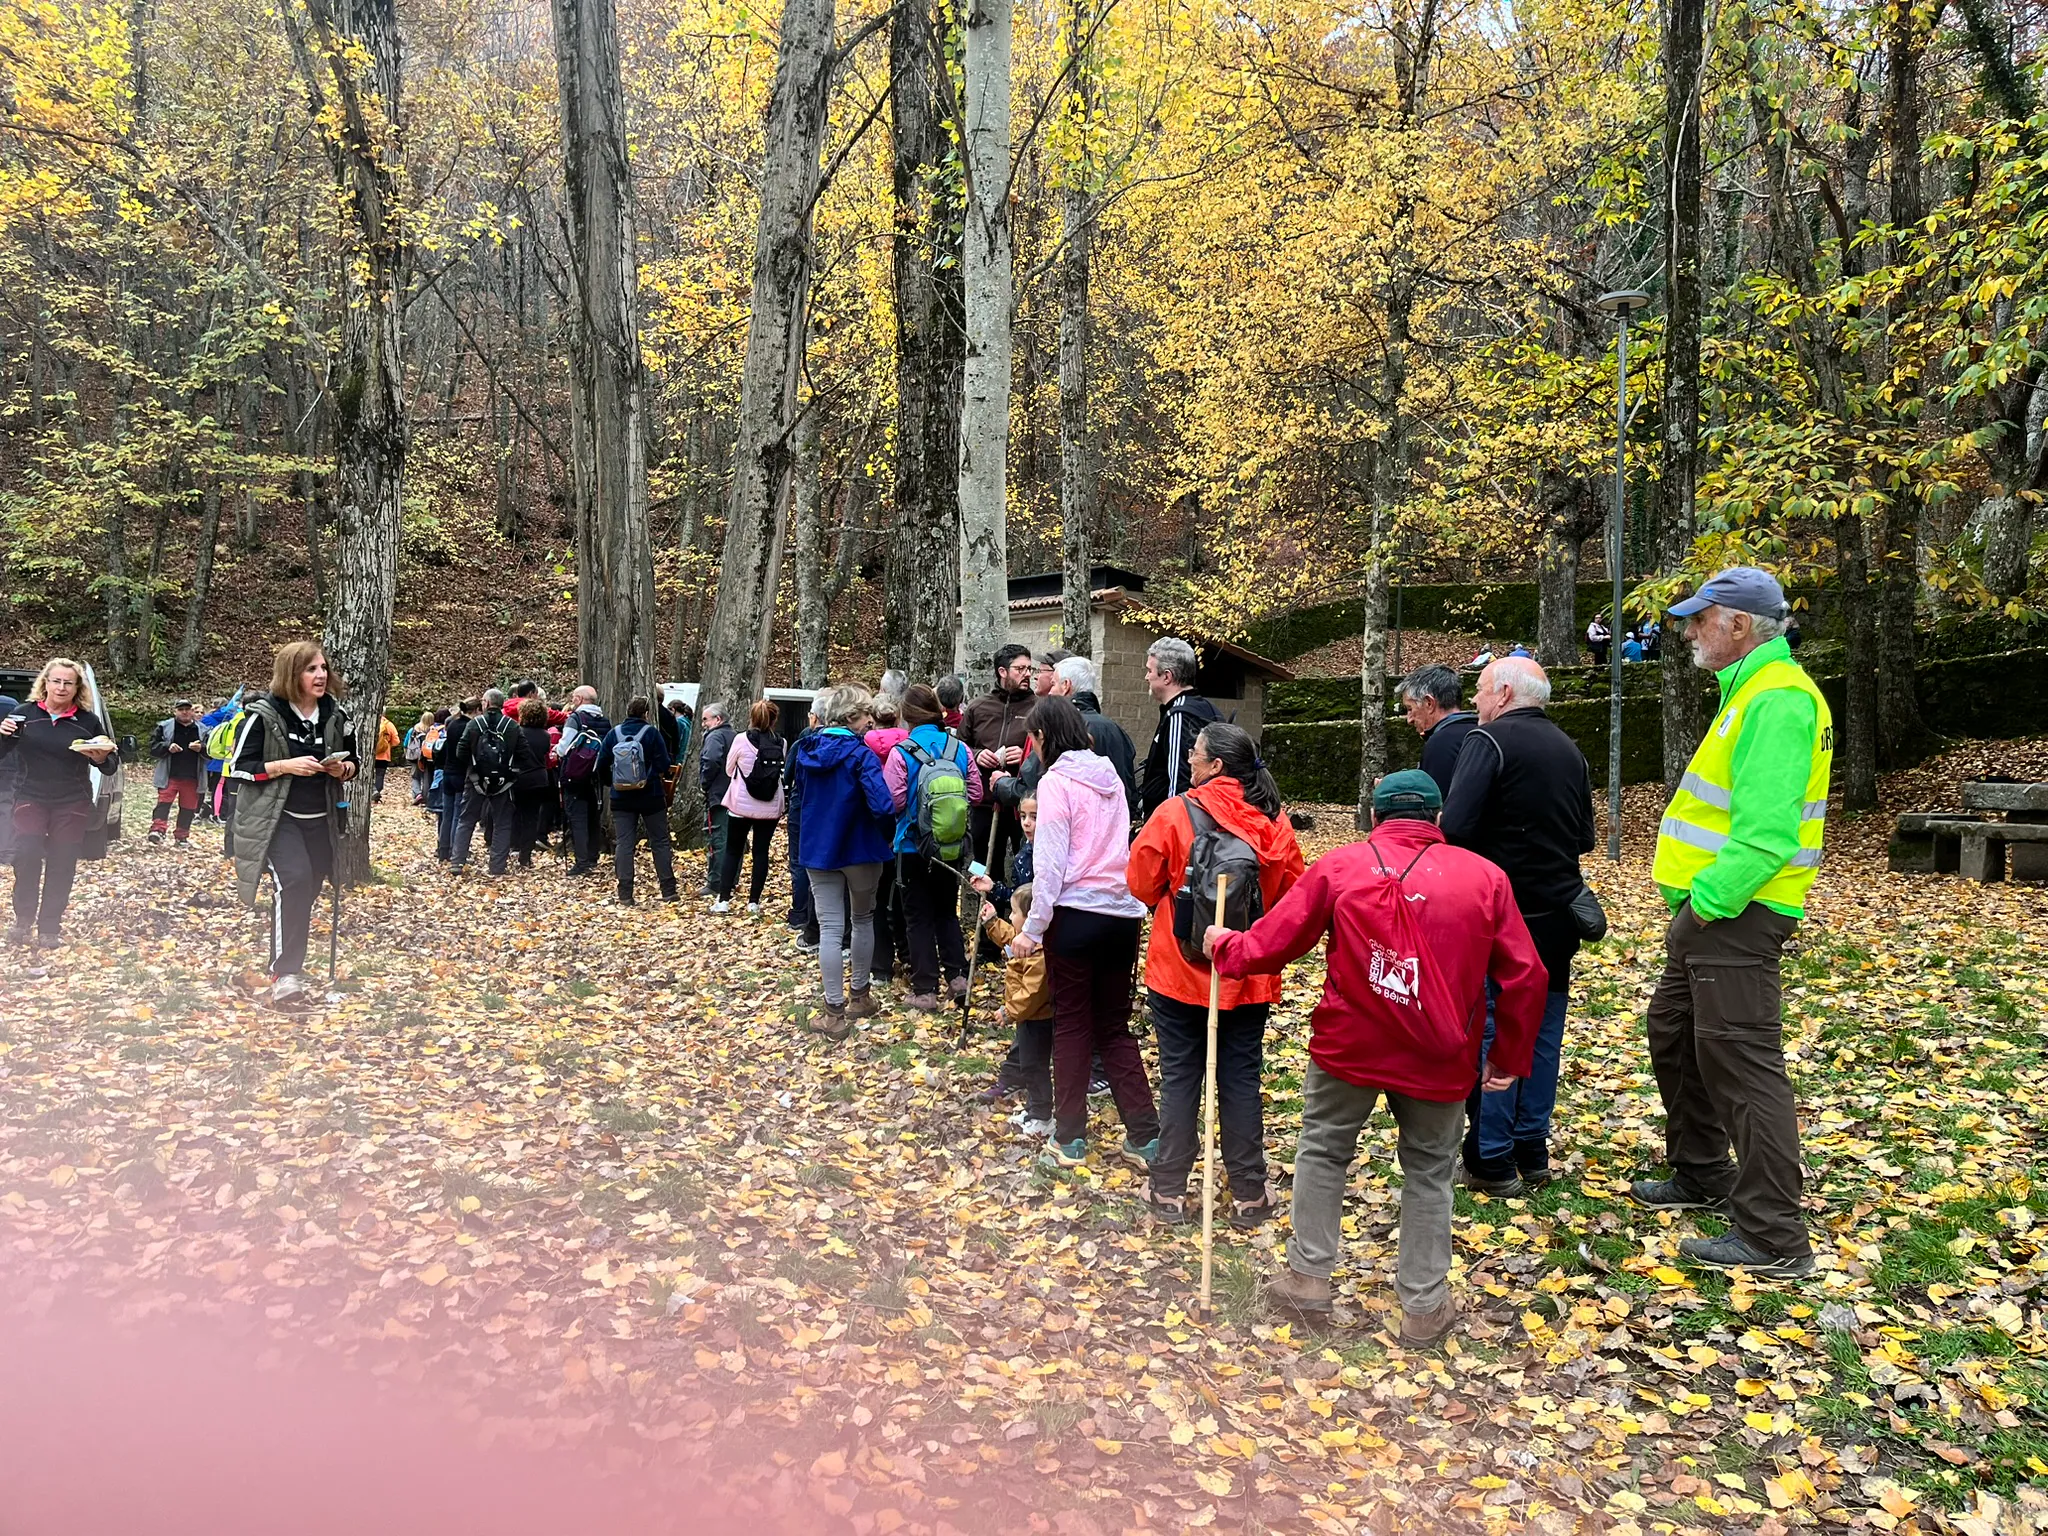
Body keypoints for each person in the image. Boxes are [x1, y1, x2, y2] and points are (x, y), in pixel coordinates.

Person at [1206, 770, 1546, 1346]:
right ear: (1438, 820)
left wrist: (1228, 948)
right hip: (1440, 1056)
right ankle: (1423, 1305)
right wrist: (1508, 1054)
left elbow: (1277, 940)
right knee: (1430, 1172)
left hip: (1350, 1047)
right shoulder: (1486, 878)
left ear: (1373, 816)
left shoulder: (1341, 867)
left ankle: (1308, 1277)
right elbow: (1526, 975)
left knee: (1322, 1149)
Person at [1635, 566, 1832, 1278]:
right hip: (1716, 915)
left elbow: (1766, 835)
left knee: (1745, 1070)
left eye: (1699, 619)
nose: (1689, 631)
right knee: (1678, 1039)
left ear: (1739, 626)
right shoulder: (1751, 693)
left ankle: (1775, 1237)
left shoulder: (1776, 700)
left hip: (1737, 914)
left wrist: (1705, 906)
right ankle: (1702, 1173)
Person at [1126, 722, 1304, 1225]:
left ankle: (1168, 1192)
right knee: (1241, 1079)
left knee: (1180, 1078)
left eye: (1196, 755)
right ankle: (1250, 1194)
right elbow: (1295, 897)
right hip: (1248, 975)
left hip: (1179, 971)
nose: (1188, 762)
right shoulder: (1274, 822)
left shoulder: (1173, 814)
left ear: (1216, 766)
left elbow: (1140, 882)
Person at [1441, 656, 1597, 1194]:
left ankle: (1491, 1156)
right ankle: (1532, 1147)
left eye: (1481, 691)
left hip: (1501, 917)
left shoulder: (1488, 743)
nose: (1476, 702)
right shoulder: (1569, 749)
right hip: (1557, 917)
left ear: (1504, 692)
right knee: (1543, 1032)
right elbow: (1585, 837)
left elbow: (1456, 827)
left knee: (1495, 1031)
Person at [1006, 697, 1159, 1167]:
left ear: (1044, 738)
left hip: (1075, 913)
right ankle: (1146, 1136)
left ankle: (1069, 1138)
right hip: (1121, 913)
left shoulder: (1055, 783)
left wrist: (1033, 928)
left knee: (1072, 1025)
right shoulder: (1110, 775)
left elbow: (1050, 863)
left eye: (1033, 738)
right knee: (1113, 1026)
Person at [229, 642, 358, 1003]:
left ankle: (290, 965)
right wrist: (286, 765)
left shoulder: (336, 714)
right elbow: (238, 767)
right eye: (310, 669)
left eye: (323, 668)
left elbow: (356, 762)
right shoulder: (264, 715)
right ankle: (286, 973)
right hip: (276, 819)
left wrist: (342, 768)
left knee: (307, 889)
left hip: (323, 818)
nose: (321, 676)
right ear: (291, 674)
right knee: (295, 880)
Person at [789, 685, 896, 1035]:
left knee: (831, 929)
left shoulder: (806, 750)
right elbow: (882, 805)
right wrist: (885, 829)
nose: (870, 722)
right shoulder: (861, 755)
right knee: (863, 919)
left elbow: (800, 797)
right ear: (852, 718)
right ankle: (860, 996)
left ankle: (833, 1011)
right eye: (866, 716)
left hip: (819, 849)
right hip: (861, 849)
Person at [1, 658, 118, 950]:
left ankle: (49, 927)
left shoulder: (88, 721)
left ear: (77, 687)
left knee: (62, 862)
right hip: (30, 796)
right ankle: (24, 918)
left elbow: (110, 763)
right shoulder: (23, 714)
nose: (62, 687)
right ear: (46, 683)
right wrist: (2, 735)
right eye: (56, 681)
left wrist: (101, 757)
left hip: (72, 801)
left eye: (68, 682)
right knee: (26, 855)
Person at [883, 683, 985, 1010]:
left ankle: (925, 990)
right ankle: (957, 978)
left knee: (917, 917)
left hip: (912, 847)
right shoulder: (960, 749)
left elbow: (894, 801)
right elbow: (976, 794)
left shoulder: (902, 752)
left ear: (907, 716)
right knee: (946, 912)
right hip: (950, 848)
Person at [980, 878, 1054, 1137]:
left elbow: (1032, 993)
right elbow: (1012, 939)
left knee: (1034, 1066)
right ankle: (1035, 1110)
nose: (1010, 917)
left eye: (1014, 913)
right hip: (1029, 1018)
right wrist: (992, 922)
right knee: (1029, 1064)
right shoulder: (1029, 942)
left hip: (1039, 1019)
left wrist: (1009, 1011)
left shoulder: (1041, 954)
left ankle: (1042, 1116)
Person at [963, 646, 1036, 877]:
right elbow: (960, 747)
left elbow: (1048, 751)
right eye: (1020, 668)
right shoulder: (978, 707)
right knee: (983, 863)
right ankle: (983, 907)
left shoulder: (1039, 707)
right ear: (1002, 671)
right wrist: (976, 754)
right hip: (984, 801)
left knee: (1025, 864)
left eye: (1029, 668)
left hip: (1022, 803)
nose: (1027, 674)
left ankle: (1020, 910)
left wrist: (1025, 755)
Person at [598, 697, 678, 905]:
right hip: (650, 795)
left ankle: (625, 893)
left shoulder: (613, 734)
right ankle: (668, 890)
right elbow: (663, 763)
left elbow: (601, 764)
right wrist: (650, 777)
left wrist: (613, 783)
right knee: (659, 841)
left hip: (621, 798)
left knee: (624, 843)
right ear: (647, 713)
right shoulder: (652, 733)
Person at [1138, 637, 1220, 823]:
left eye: (1149, 670)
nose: (1146, 677)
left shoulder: (1180, 715)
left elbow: (1180, 781)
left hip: (1175, 828)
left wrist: (1171, 830)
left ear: (1167, 676)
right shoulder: (1207, 708)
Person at [716, 700, 786, 915]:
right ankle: (754, 902)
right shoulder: (781, 743)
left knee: (733, 851)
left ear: (752, 717)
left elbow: (729, 769)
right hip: (769, 805)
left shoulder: (740, 739)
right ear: (774, 719)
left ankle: (724, 899)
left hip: (741, 806)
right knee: (761, 852)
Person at [1048, 656, 1138, 819]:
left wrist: (1002, 785)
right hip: (1114, 825)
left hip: (1078, 824)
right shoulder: (1115, 729)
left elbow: (1039, 778)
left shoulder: (1064, 729)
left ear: (1066, 686)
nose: (1050, 692)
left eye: (1053, 684)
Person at [450, 689, 518, 877]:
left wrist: (473, 766)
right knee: (502, 822)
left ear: (486, 703)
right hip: (504, 782)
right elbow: (523, 753)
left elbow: (460, 751)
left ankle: (457, 861)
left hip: (475, 780)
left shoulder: (474, 724)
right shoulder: (511, 726)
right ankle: (497, 866)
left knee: (466, 820)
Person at [783, 688, 831, 954]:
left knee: (800, 862)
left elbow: (789, 773)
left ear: (815, 717)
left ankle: (801, 913)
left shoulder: (806, 739)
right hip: (826, 810)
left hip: (803, 806)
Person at [1397, 665, 1477, 798]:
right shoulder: (1482, 731)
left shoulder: (1441, 744)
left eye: (1410, 708)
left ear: (1429, 703)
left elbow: (1435, 807)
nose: (1409, 720)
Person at [557, 697, 612, 878]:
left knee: (578, 819)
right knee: (592, 817)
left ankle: (581, 862)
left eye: (574, 697)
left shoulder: (576, 719)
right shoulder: (605, 722)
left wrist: (556, 749)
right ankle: (592, 856)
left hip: (574, 776)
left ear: (580, 699)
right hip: (595, 776)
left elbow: (564, 747)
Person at [147, 699, 206, 846]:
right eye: (181, 709)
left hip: (193, 776)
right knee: (163, 803)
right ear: (175, 711)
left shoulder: (204, 730)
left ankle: (182, 836)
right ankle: (158, 831)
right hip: (169, 774)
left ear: (192, 711)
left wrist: (201, 748)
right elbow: (153, 747)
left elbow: (212, 751)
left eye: (187, 709)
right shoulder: (163, 727)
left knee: (188, 808)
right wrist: (168, 746)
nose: (185, 712)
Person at [509, 697, 556, 867]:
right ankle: (526, 856)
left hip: (518, 777)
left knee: (515, 813)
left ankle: (514, 846)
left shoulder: (516, 732)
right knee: (531, 817)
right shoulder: (545, 735)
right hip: (538, 778)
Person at [697, 702, 735, 897]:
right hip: (734, 796)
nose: (703, 723)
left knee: (718, 839)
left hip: (719, 796)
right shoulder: (734, 736)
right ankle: (730, 879)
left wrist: (705, 782)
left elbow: (711, 760)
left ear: (717, 719)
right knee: (732, 840)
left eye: (705, 719)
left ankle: (716, 883)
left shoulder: (715, 736)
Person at [435, 699, 479, 864]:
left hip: (448, 772)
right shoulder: (470, 727)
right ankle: (456, 850)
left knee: (446, 814)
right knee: (458, 815)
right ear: (475, 710)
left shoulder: (452, 724)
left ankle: (443, 849)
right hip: (461, 774)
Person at [373, 713, 400, 802]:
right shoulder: (389, 725)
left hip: (371, 755)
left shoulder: (370, 722)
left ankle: (371, 790)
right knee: (379, 775)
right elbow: (396, 741)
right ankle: (377, 791)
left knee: (368, 774)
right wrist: (387, 745)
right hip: (384, 755)